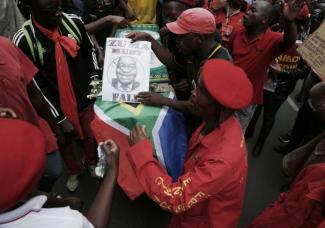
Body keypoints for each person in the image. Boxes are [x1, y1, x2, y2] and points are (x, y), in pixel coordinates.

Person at [127, 59, 253, 227]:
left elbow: (175, 198)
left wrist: (141, 152)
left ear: (222, 107)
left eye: (202, 91)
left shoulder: (223, 160)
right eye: (197, 86)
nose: (193, 93)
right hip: (193, 212)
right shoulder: (213, 121)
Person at [13, 0, 100, 192]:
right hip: (57, 105)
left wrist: (95, 79)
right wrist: (59, 119)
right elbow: (36, 86)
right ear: (31, 9)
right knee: (65, 143)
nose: (58, 14)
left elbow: (89, 52)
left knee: (91, 136)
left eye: (58, 7)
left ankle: (91, 162)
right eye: (50, 11)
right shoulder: (23, 40)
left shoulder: (74, 22)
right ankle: (74, 170)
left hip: (85, 97)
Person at [0, 118, 119, 228]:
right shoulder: (67, 222)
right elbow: (94, 225)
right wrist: (113, 170)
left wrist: (62, 202)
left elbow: (33, 197)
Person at [129, 8, 232, 133]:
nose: (176, 41)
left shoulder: (218, 67)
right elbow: (172, 61)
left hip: (206, 128)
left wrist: (162, 100)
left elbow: (196, 107)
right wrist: (148, 38)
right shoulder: (195, 50)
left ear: (198, 39)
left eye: (181, 37)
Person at [0, 36, 63, 192]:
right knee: (15, 189)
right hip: (7, 149)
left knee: (54, 170)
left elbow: (33, 90)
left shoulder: (5, 45)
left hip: (33, 127)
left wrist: (55, 127)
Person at [227, 0, 301, 131]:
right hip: (226, 91)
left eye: (253, 11)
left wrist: (289, 22)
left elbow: (289, 40)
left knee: (233, 135)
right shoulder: (237, 32)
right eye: (248, 9)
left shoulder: (273, 39)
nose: (246, 13)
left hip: (245, 101)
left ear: (264, 19)